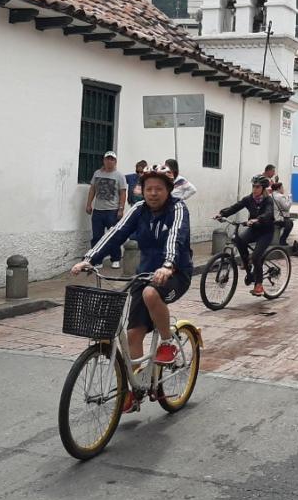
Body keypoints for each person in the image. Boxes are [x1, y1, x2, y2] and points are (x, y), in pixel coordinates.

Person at [71, 164, 193, 413]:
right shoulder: (138, 209)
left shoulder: (177, 209)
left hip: (175, 273)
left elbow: (176, 239)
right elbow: (116, 233)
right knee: (134, 335)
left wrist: (168, 265)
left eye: (159, 188)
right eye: (149, 188)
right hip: (145, 273)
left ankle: (167, 343)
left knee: (151, 293)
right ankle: (136, 389)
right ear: (143, 190)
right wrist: (89, 259)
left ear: (169, 190)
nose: (153, 193)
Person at [215, 175, 275, 297]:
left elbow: (269, 213)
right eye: (253, 186)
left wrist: (258, 219)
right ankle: (247, 262)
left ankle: (259, 285)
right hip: (254, 229)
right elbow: (235, 207)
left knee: (257, 256)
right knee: (239, 240)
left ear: (263, 189)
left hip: (266, 231)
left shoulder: (268, 200)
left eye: (257, 187)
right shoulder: (249, 199)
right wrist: (222, 214)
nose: (254, 189)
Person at [86, 151, 128, 268]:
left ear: (115, 161)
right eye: (107, 159)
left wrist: (121, 209)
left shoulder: (119, 176)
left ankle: (115, 259)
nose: (109, 161)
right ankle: (97, 259)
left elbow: (123, 193)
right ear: (104, 160)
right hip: (98, 211)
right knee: (97, 236)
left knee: (113, 235)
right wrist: (89, 204)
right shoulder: (97, 173)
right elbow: (92, 189)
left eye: (112, 159)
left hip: (112, 211)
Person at [271, 181, 293, 245]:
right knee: (290, 223)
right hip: (279, 219)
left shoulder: (271, 195)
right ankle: (282, 240)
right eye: (282, 187)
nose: (283, 189)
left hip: (272, 217)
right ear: (278, 189)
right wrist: (290, 198)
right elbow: (286, 207)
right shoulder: (280, 196)